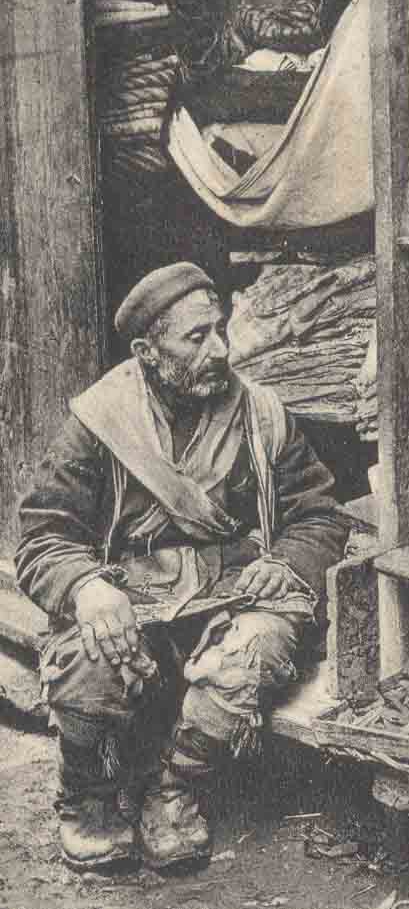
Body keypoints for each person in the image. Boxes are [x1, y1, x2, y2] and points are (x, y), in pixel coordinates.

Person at [16, 263, 349, 870]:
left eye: (220, 330)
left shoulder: (261, 414)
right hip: (132, 600)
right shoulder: (98, 423)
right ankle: (88, 797)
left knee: (256, 647)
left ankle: (172, 790)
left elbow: (319, 515)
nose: (220, 350)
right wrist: (87, 587)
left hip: (231, 594)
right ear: (147, 353)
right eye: (196, 337)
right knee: (90, 656)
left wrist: (286, 563)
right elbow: (44, 537)